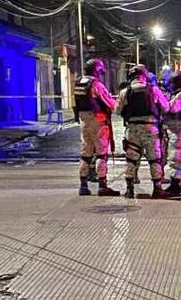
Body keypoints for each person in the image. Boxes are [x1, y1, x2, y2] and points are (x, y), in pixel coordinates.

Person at [116, 64, 170, 199]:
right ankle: (157, 189)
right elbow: (166, 107)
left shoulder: (125, 92)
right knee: (154, 159)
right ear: (145, 76)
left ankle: (129, 189)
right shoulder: (153, 90)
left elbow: (117, 111)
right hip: (150, 129)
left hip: (132, 129)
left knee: (131, 159)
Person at [73, 58, 119, 196]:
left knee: (85, 154)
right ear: (96, 70)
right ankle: (102, 185)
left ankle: (83, 185)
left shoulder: (79, 82)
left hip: (84, 121)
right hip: (98, 121)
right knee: (101, 154)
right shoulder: (96, 84)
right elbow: (111, 104)